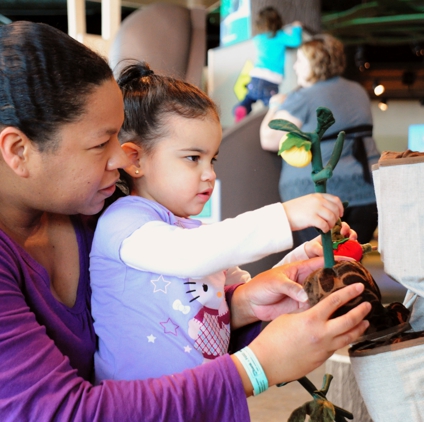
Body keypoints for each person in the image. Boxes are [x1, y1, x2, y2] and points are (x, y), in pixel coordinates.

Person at [0, 21, 370, 421]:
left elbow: (168, 317)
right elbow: (62, 412)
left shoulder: (91, 208)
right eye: (99, 144)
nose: (123, 158)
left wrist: (242, 304)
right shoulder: (122, 220)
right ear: (18, 150)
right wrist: (255, 367)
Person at [91, 62, 347, 383]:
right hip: (140, 409)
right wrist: (285, 216)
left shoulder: (195, 235)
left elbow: (246, 285)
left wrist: (299, 261)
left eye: (211, 159)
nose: (209, 173)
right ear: (135, 159)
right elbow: (191, 255)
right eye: (192, 158)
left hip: (203, 399)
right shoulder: (124, 223)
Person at [260, 34, 380, 245]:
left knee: (323, 263)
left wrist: (275, 106)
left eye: (300, 61)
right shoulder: (357, 90)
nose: (295, 67)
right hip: (367, 192)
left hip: (316, 196)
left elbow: (269, 139)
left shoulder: (303, 97)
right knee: (350, 259)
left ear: (315, 63)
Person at [234, 6, 302, 123]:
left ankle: (242, 108)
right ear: (278, 22)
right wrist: (297, 27)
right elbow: (296, 41)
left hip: (255, 78)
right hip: (270, 81)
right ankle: (272, 126)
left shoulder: (258, 39)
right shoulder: (279, 36)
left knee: (249, 98)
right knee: (273, 107)